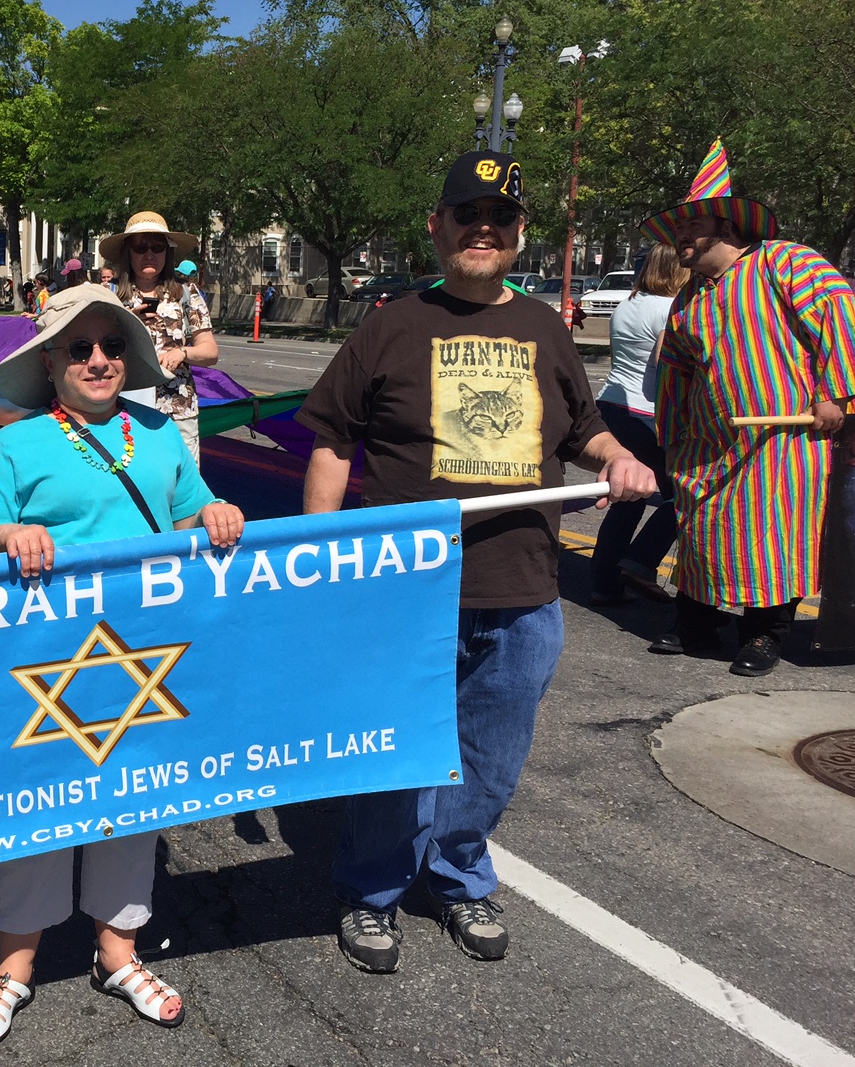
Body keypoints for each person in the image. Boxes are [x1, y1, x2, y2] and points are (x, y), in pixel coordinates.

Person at [297, 150, 655, 973]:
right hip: (405, 588)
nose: (482, 230)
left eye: (499, 218)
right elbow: (330, 439)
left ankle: (458, 874)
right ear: (438, 226)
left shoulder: (541, 328)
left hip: (525, 586)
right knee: (398, 750)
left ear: (519, 232)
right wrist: (317, 560)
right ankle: (373, 891)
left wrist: (614, 459)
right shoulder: (390, 324)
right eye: (467, 215)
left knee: (491, 754)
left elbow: (580, 431)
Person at [0, 283, 244, 1049]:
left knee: (135, 802)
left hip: (147, 650)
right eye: (79, 348)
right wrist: (7, 533)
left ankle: (119, 952)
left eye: (113, 346)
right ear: (50, 362)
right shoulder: (16, 443)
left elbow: (190, 516)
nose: (99, 360)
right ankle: (14, 968)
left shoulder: (160, 431)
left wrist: (212, 513)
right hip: (48, 655)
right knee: (37, 808)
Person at [643, 138, 855, 675]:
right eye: (677, 231)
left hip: (783, 445)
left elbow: (841, 315)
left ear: (729, 230)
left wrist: (834, 394)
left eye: (691, 228)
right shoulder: (688, 300)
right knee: (703, 533)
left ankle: (764, 636)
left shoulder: (784, 261)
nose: (680, 239)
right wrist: (672, 436)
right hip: (709, 445)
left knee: (773, 537)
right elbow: (675, 374)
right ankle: (699, 624)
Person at [589, 244, 688, 605]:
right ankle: (640, 561)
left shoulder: (626, 305)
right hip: (646, 412)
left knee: (627, 498)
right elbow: (664, 366)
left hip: (611, 404)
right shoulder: (669, 308)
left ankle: (604, 581)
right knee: (684, 495)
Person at [104, 212, 220, 465]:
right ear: (128, 252)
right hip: (122, 408)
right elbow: (92, 348)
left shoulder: (187, 293)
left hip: (178, 407)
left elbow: (210, 351)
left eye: (157, 247)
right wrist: (124, 324)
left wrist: (183, 353)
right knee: (128, 482)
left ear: (167, 253)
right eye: (140, 247)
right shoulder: (108, 294)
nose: (149, 254)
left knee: (182, 486)